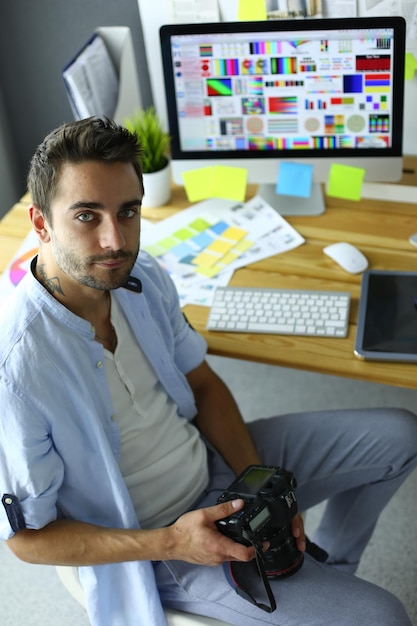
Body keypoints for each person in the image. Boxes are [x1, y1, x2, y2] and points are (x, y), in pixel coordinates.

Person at [0, 117, 416, 626]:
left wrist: (259, 487)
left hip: (214, 468)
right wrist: (173, 541)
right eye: (87, 216)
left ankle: (329, 570)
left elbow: (202, 383)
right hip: (159, 541)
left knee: (401, 434)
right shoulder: (16, 369)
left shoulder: (142, 277)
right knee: (385, 617)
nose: (115, 239)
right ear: (41, 223)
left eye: (128, 211)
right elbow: (27, 541)